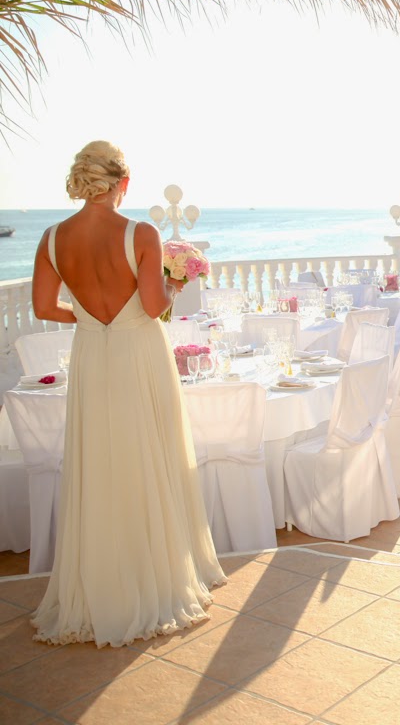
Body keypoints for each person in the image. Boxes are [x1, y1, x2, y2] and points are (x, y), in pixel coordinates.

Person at [29, 140, 226, 647]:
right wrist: (172, 285)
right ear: (123, 183)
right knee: (149, 454)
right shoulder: (140, 232)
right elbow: (154, 302)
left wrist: (92, 322)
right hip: (140, 352)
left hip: (93, 355)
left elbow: (45, 309)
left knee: (99, 462)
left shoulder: (52, 238)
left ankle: (100, 585)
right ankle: (155, 576)